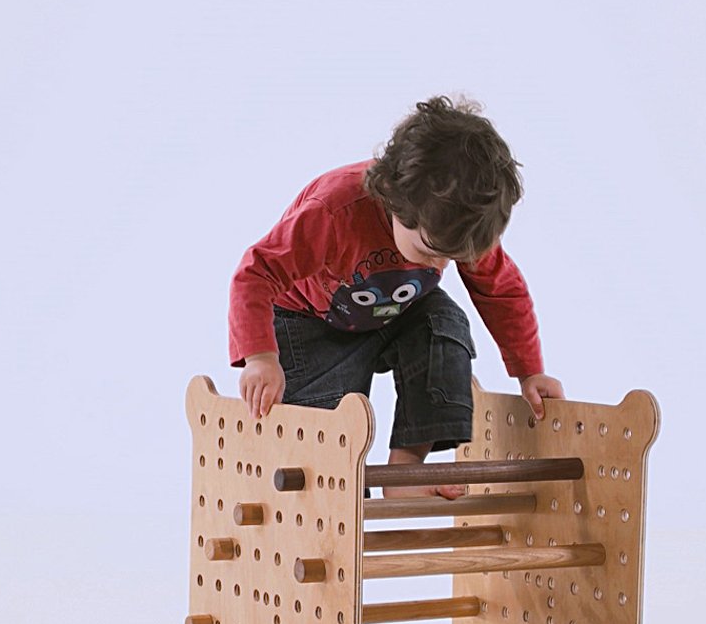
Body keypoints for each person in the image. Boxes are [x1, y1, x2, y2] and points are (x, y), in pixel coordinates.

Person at [228, 95, 564, 498]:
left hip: (393, 312)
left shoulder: (458, 227)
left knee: (445, 324)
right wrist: (260, 358)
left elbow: (502, 291)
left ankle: (406, 471)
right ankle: (330, 486)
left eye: (452, 257)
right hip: (309, 320)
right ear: (392, 197)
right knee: (322, 441)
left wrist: (530, 372)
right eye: (429, 251)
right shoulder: (335, 211)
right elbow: (256, 272)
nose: (441, 264)